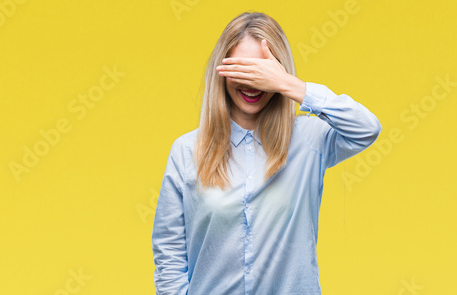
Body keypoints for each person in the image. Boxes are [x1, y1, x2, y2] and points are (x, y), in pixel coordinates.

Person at [152, 11, 382, 295]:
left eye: (261, 72)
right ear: (221, 73)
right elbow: (169, 256)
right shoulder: (187, 151)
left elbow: (367, 128)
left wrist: (290, 85)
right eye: (242, 69)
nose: (252, 83)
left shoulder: (309, 139)